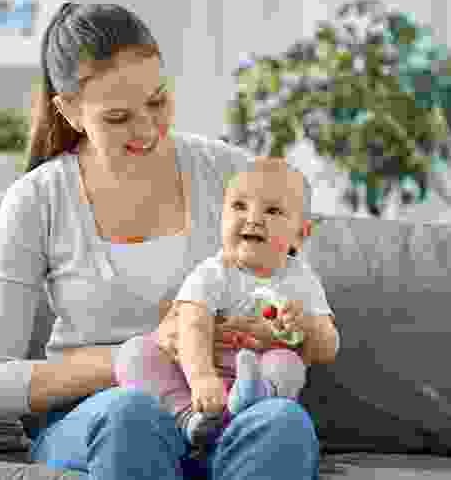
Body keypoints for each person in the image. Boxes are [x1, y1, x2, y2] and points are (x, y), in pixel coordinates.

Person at [0, 2, 324, 480]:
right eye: (118, 117)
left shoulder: (233, 176)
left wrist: (278, 332)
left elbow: (302, 307)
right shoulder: (38, 200)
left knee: (284, 423)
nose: (147, 130)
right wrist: (147, 352)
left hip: (221, 408)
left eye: (157, 102)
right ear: (70, 111)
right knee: (132, 413)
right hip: (100, 418)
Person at [114, 157, 340, 458]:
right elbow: (192, 325)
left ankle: (251, 402)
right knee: (135, 354)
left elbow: (329, 347)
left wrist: (308, 327)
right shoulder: (213, 272)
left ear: (300, 234)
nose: (253, 218)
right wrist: (202, 378)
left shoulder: (302, 280)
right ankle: (188, 419)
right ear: (221, 219)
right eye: (239, 206)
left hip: (257, 379)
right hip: (196, 383)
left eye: (272, 210)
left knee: (288, 363)